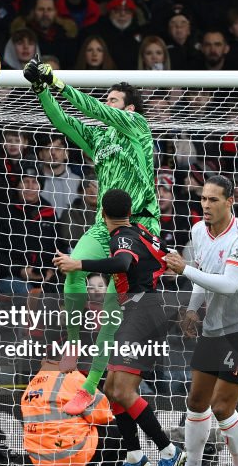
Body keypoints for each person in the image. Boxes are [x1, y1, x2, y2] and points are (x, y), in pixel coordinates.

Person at [23, 59, 159, 415]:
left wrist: (61, 85)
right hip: (105, 224)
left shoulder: (137, 126)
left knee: (114, 303)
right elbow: (62, 121)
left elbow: (94, 109)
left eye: (113, 100)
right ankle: (72, 342)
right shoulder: (99, 136)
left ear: (128, 108)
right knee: (72, 270)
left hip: (139, 226)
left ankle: (89, 384)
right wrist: (42, 89)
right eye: (108, 99)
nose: (107, 104)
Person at [53, 189, 185, 466]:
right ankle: (135, 456)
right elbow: (165, 257)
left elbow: (123, 263)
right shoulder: (141, 231)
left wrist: (79, 264)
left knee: (124, 392)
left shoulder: (120, 237)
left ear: (102, 213)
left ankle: (169, 451)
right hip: (137, 311)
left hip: (141, 312)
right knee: (112, 389)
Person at [162, 175, 238, 466]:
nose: (205, 205)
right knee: (196, 401)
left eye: (213, 200)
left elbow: (229, 284)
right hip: (213, 329)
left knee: (222, 407)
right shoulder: (197, 231)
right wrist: (193, 309)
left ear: (229, 201)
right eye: (203, 199)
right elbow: (202, 279)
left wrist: (184, 269)